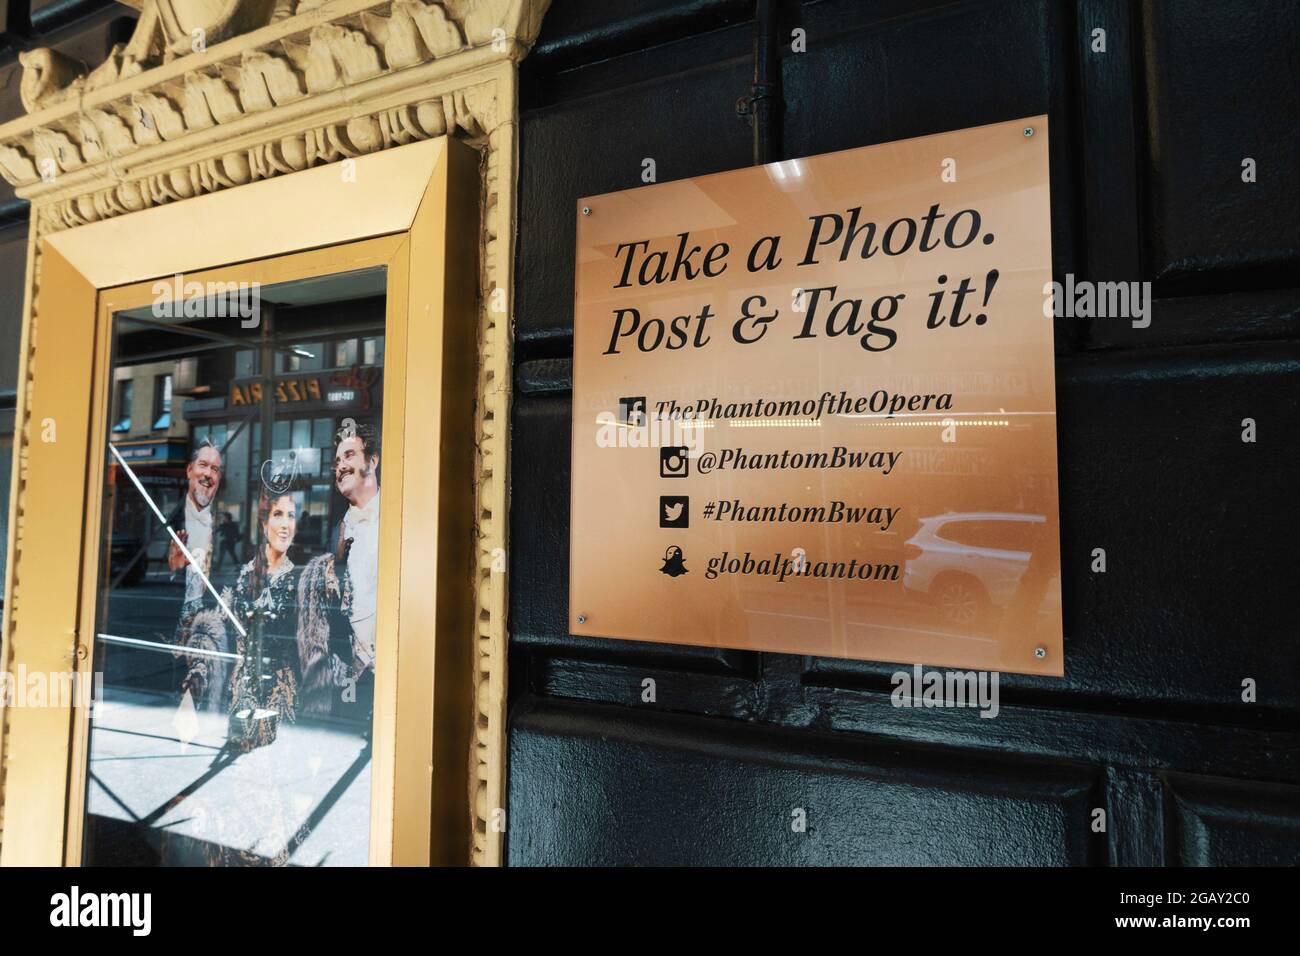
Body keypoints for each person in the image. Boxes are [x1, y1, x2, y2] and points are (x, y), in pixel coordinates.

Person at [169, 440, 228, 709]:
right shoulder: (167, 519)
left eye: (215, 469)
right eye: (203, 465)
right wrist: (173, 569)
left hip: (213, 642)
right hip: (173, 651)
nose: (208, 474)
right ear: (189, 470)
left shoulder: (224, 521)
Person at [329, 421, 380, 721]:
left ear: (372, 461)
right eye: (337, 461)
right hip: (355, 673)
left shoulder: (397, 517)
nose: (341, 466)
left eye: (349, 456)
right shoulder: (340, 530)